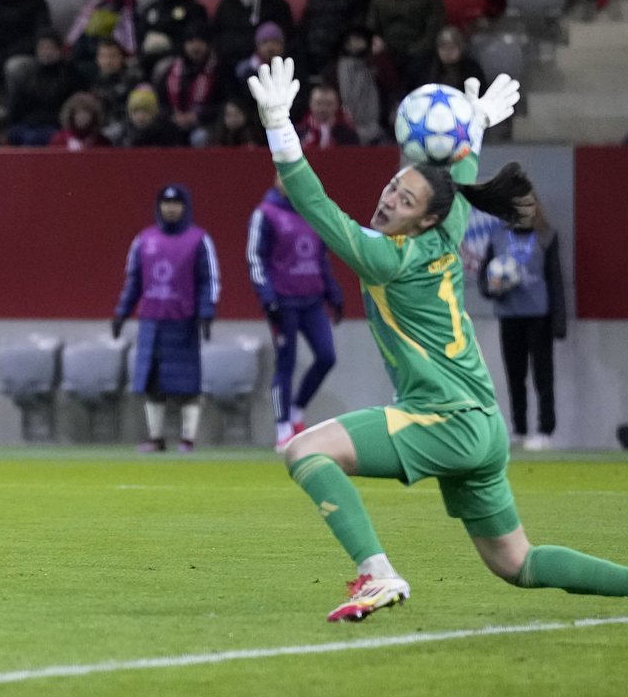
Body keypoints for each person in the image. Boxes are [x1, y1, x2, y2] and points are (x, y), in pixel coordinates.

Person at [247, 55, 628, 621]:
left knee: (305, 449)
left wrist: (279, 126)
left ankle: (377, 574)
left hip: (444, 417)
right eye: (393, 187)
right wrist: (475, 125)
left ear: (424, 220)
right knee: (517, 563)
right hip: (481, 424)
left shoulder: (384, 257)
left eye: (404, 201)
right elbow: (458, 178)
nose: (389, 200)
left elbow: (316, 206)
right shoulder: (446, 225)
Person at [112, 184, 219, 452]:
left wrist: (206, 313)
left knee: (188, 385)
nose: (171, 208)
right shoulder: (144, 240)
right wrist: (122, 313)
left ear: (185, 206)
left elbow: (208, 280)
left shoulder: (198, 240)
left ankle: (188, 439)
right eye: (166, 203)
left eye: (176, 203)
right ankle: (156, 437)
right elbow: (133, 281)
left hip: (183, 322)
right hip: (152, 322)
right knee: (152, 384)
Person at [247, 173, 343, 451]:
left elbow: (320, 258)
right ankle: (283, 428)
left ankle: (297, 411)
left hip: (312, 301)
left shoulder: (311, 211)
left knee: (326, 356)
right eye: (282, 175)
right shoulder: (266, 213)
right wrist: (268, 299)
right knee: (285, 364)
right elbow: (255, 258)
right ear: (275, 179)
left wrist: (333, 294)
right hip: (283, 302)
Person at [478, 189, 566, 451]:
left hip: (539, 316)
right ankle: (519, 429)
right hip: (509, 315)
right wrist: (492, 287)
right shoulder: (498, 236)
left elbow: (555, 279)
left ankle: (545, 430)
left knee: (543, 375)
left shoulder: (546, 236)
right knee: (515, 375)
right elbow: (483, 276)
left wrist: (559, 322)